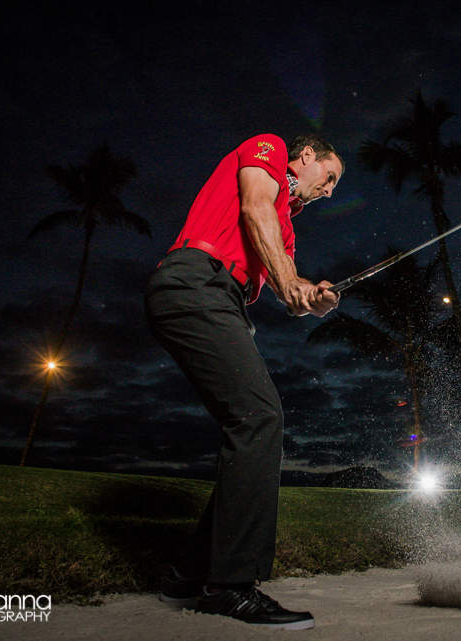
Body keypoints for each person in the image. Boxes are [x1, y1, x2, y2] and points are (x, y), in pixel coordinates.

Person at [144, 133, 343, 630]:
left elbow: (287, 286)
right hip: (195, 279)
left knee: (253, 419)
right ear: (305, 157)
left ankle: (187, 576)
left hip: (224, 299)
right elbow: (254, 206)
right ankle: (229, 586)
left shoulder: (287, 228)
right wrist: (289, 280)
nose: (330, 191)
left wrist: (309, 297)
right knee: (259, 416)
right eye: (330, 177)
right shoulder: (269, 148)